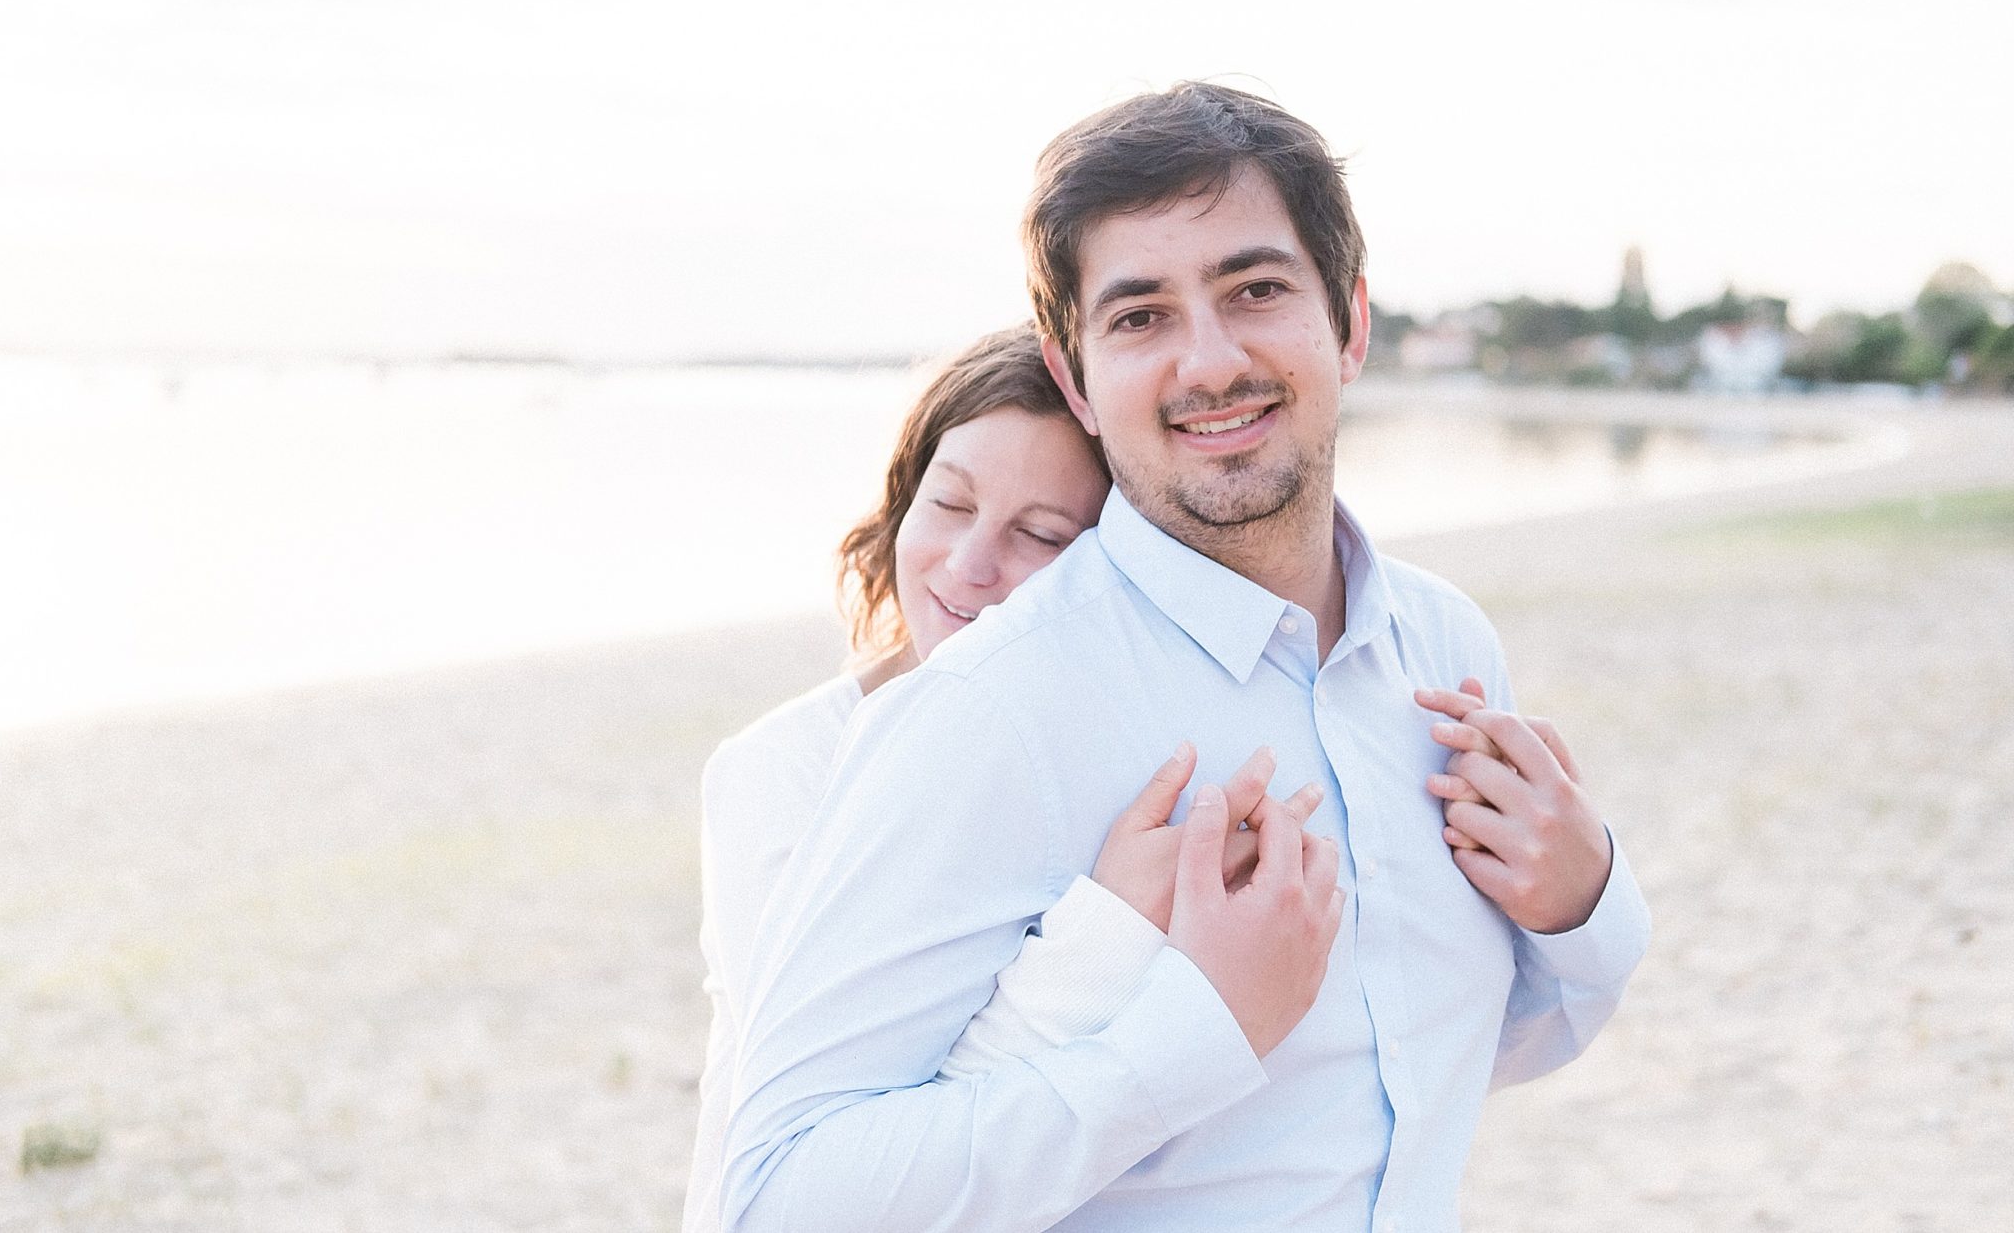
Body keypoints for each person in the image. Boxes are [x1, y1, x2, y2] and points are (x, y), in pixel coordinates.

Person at [720, 84, 1651, 1232]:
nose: (1207, 362)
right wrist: (1193, 1034)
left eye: (1254, 290)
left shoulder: (1442, 649)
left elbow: (1424, 1061)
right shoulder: (989, 709)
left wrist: (1582, 904)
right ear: (1075, 381)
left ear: (1349, 322)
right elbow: (775, 1199)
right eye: (1139, 316)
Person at [684, 327, 1322, 1231]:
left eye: (1041, 535)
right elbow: (854, 1151)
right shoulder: (780, 774)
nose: (970, 566)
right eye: (948, 504)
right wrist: (1108, 932)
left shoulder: (1115, 758)